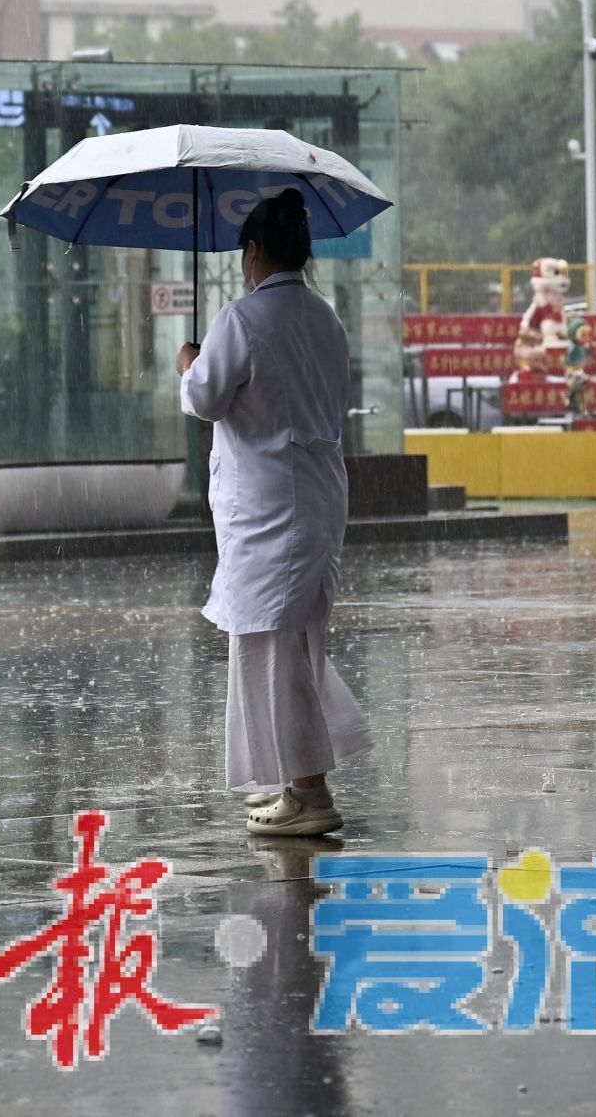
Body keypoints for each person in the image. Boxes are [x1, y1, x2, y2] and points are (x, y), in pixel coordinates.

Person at [178, 186, 372, 838]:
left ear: (254, 251)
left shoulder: (242, 319)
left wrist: (189, 364)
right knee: (293, 639)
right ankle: (294, 779)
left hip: (267, 504)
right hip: (318, 496)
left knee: (272, 644)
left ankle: (310, 793)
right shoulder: (324, 317)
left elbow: (205, 399)